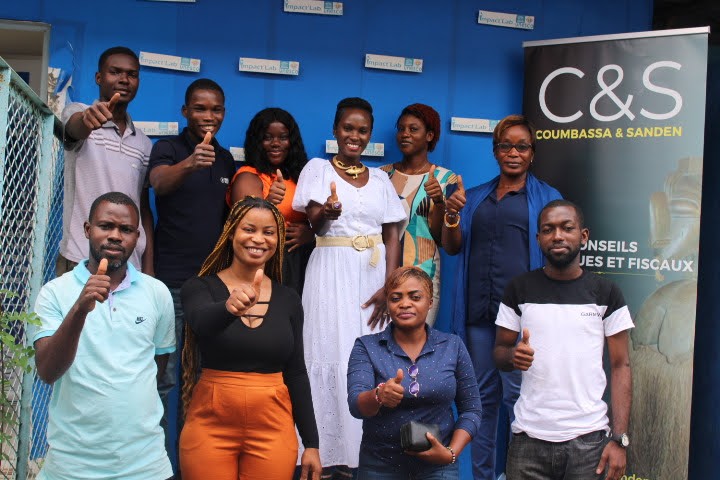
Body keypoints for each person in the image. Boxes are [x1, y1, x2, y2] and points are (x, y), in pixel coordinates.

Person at [442, 114, 562, 479]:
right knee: (480, 403)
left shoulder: (547, 199)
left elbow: (559, 252)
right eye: (506, 145)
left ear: (532, 153)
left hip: (523, 321)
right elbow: (452, 247)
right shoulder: (475, 198)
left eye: (521, 147)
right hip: (479, 317)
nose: (513, 153)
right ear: (495, 151)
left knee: (519, 402)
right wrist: (451, 215)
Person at [292, 97, 406, 477]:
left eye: (362, 130)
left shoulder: (380, 179)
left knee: (369, 356)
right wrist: (326, 212)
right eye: (348, 128)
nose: (354, 136)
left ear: (369, 135)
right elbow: (315, 225)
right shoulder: (317, 169)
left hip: (373, 277)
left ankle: (362, 455)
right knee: (329, 349)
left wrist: (390, 286)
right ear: (336, 130)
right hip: (330, 270)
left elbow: (392, 234)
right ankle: (324, 454)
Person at [31, 192, 175, 480]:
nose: (115, 236)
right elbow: (47, 372)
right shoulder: (55, 293)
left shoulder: (157, 293)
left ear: (137, 237)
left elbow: (157, 365)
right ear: (87, 229)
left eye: (126, 229)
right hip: (72, 468)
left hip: (145, 467)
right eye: (106, 226)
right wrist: (79, 310)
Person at [179, 197, 321, 480]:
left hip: (273, 426)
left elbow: (296, 372)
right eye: (249, 229)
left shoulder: (289, 298)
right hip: (210, 424)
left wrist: (312, 444)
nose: (258, 239)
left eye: (269, 232)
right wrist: (228, 308)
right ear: (231, 232)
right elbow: (201, 323)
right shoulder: (200, 287)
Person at [494, 200, 633, 480]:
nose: (557, 236)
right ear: (538, 239)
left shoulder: (606, 293)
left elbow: (621, 366)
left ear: (583, 236)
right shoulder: (519, 289)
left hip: (589, 442)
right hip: (528, 439)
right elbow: (499, 352)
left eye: (567, 228)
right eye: (548, 230)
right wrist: (512, 356)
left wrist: (619, 439)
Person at [148, 78, 236, 461]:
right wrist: (189, 164)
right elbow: (158, 184)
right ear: (185, 111)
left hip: (210, 289)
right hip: (170, 285)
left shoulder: (226, 159)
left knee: (199, 382)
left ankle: (189, 466)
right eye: (200, 108)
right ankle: (152, 463)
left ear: (224, 113)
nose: (208, 116)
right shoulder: (167, 148)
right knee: (162, 380)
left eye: (215, 109)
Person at [347, 266, 482, 480]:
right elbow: (356, 405)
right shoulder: (367, 347)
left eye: (415, 297)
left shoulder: (452, 346)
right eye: (395, 298)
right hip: (380, 465)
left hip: (438, 468)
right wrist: (379, 395)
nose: (405, 303)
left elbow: (471, 410)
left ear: (430, 302)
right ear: (387, 304)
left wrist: (450, 454)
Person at [58, 46, 154, 276]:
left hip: (129, 265)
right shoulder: (78, 111)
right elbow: (75, 127)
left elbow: (143, 208)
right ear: (99, 78)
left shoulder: (143, 143)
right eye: (115, 72)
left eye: (132, 74)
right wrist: (88, 119)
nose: (124, 79)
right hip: (80, 258)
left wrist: (148, 267)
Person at [380, 104, 457, 326]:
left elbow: (442, 240)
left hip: (423, 277)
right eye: (401, 129)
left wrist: (439, 203)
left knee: (417, 342)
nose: (405, 134)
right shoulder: (381, 176)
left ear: (429, 136)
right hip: (380, 276)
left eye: (413, 129)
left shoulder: (445, 179)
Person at [228, 107, 313, 294]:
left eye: (283, 137)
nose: (276, 143)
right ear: (257, 142)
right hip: (267, 262)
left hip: (302, 262)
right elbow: (247, 224)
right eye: (267, 137)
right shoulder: (248, 176)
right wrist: (269, 202)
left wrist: (310, 234)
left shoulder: (301, 176)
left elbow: (320, 222)